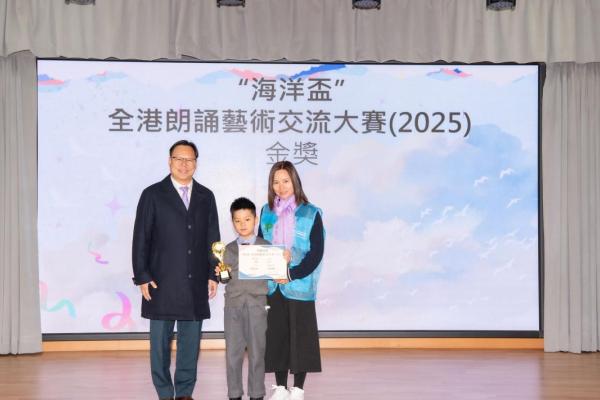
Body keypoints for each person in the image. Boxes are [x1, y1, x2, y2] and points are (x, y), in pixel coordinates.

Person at [132, 140, 220, 400]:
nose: (184, 164)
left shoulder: (206, 196)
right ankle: (163, 392)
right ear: (169, 161)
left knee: (190, 343)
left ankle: (184, 393)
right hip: (160, 280)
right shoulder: (152, 194)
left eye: (189, 159)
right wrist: (142, 275)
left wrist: (213, 274)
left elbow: (213, 238)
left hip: (195, 280)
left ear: (196, 163)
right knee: (159, 343)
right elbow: (140, 237)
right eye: (178, 158)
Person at [258, 161, 325, 400]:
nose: (281, 186)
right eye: (275, 182)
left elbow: (316, 253)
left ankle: (297, 389)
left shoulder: (311, 213)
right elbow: (261, 244)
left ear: (295, 181)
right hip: (273, 286)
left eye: (285, 181)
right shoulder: (266, 212)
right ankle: (279, 387)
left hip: (299, 285)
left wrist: (291, 273)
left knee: (300, 337)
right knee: (276, 336)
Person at [217, 197, 274, 400]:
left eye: (247, 219)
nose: (242, 224)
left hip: (257, 305)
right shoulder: (227, 249)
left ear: (255, 219)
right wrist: (221, 273)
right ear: (232, 222)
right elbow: (224, 279)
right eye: (237, 220)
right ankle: (234, 394)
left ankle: (257, 393)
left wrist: (281, 265)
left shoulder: (267, 247)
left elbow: (275, 275)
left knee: (258, 352)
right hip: (233, 306)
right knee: (233, 353)